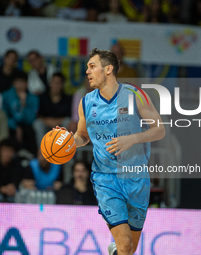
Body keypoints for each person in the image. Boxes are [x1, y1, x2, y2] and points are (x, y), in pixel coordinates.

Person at [57, 48, 165, 255]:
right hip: (106, 179)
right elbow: (83, 136)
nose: (86, 72)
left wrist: (132, 139)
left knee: (129, 249)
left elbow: (160, 130)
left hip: (136, 179)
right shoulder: (86, 102)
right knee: (125, 244)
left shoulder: (135, 95)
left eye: (91, 66)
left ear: (108, 69)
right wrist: (68, 140)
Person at [2, 71, 39, 156]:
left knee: (29, 131)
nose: (20, 85)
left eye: (23, 82)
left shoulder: (33, 98)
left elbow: (31, 118)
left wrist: (23, 104)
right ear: (14, 83)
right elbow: (4, 116)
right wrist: (16, 127)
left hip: (27, 125)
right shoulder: (6, 96)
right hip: (11, 125)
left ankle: (32, 157)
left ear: (27, 83)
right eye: (18, 82)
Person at [34, 72, 72, 146]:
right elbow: (38, 115)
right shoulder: (43, 97)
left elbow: (69, 116)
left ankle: (65, 151)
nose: (56, 86)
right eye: (54, 83)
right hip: (46, 124)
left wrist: (55, 122)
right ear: (50, 83)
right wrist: (48, 121)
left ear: (62, 85)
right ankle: (42, 151)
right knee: (37, 124)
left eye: (58, 83)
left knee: (68, 122)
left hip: (61, 126)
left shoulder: (68, 99)